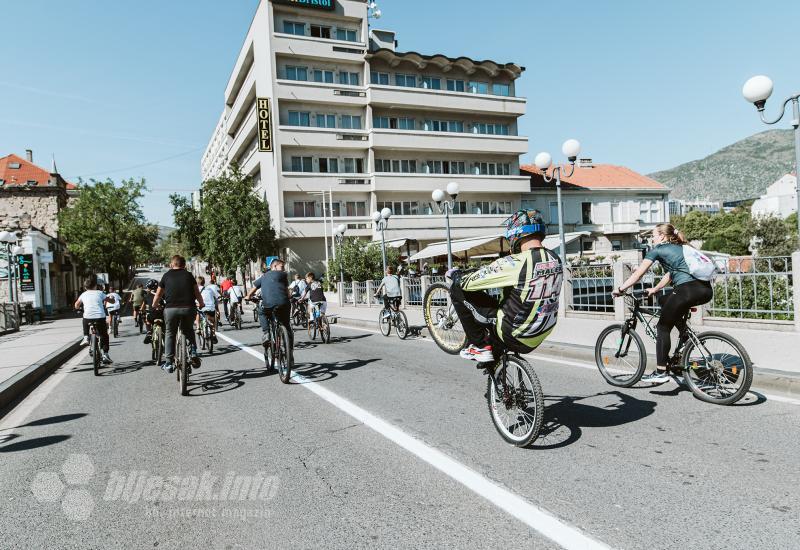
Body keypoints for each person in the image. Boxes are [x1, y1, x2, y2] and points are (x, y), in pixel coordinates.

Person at [448, 210, 563, 364]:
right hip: (541, 332)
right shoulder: (555, 258)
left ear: (515, 235)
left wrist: (456, 276)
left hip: (513, 333)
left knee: (457, 288)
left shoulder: (516, 262)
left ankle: (480, 346)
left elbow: (468, 283)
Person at [613, 223, 714, 382]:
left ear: (661, 236)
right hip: (705, 291)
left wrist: (620, 288)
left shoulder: (658, 250)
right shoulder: (681, 247)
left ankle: (661, 371)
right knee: (663, 299)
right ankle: (684, 335)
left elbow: (638, 274)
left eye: (653, 235)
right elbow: (671, 273)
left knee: (662, 327)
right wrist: (655, 289)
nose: (652, 239)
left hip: (686, 291)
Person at [152, 255, 205, 373]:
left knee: (170, 333)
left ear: (172, 264)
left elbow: (158, 294)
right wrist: (201, 303)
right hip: (188, 308)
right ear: (184, 265)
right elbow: (197, 292)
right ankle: (193, 352)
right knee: (189, 330)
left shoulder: (166, 276)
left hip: (171, 310)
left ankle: (169, 362)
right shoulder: (189, 275)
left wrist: (154, 305)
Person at [245, 258, 291, 346]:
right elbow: (287, 292)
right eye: (282, 267)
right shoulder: (283, 275)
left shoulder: (264, 276)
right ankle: (290, 353)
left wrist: (248, 296)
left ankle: (266, 333)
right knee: (287, 326)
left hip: (268, 304)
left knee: (261, 312)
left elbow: (254, 287)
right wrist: (289, 296)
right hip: (284, 304)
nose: (283, 269)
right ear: (274, 266)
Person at [74, 276, 113, 364]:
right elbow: (111, 301)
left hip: (88, 317)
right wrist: (112, 299)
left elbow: (76, 305)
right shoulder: (100, 293)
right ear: (95, 286)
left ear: (85, 287)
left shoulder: (83, 294)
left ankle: (86, 337)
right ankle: (105, 354)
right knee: (104, 335)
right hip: (100, 317)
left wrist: (78, 308)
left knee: (84, 318)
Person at [196, 275, 220, 344]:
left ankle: (198, 327)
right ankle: (213, 334)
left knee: (197, 313)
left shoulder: (196, 290)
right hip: (211, 308)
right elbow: (215, 299)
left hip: (202, 307)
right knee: (212, 322)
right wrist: (216, 308)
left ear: (197, 283)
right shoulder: (209, 289)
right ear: (204, 282)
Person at [142, 279, 162, 345]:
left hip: (152, 315)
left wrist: (142, 312)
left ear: (148, 288)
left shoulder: (147, 296)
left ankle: (149, 332)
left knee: (147, 320)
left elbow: (143, 307)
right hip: (162, 315)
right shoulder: (162, 294)